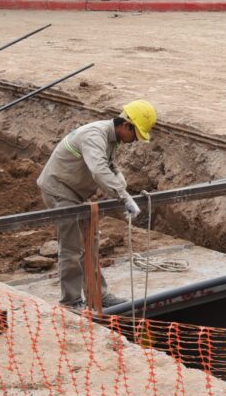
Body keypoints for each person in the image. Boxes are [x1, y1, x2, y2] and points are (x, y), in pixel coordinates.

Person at [37, 100, 156, 312]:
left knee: (90, 241)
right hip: (59, 190)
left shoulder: (110, 138)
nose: (135, 140)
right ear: (126, 125)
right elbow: (98, 170)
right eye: (135, 134)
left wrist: (118, 176)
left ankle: (98, 294)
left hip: (75, 193)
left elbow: (107, 163)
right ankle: (70, 302)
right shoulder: (95, 135)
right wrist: (124, 197)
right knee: (72, 247)